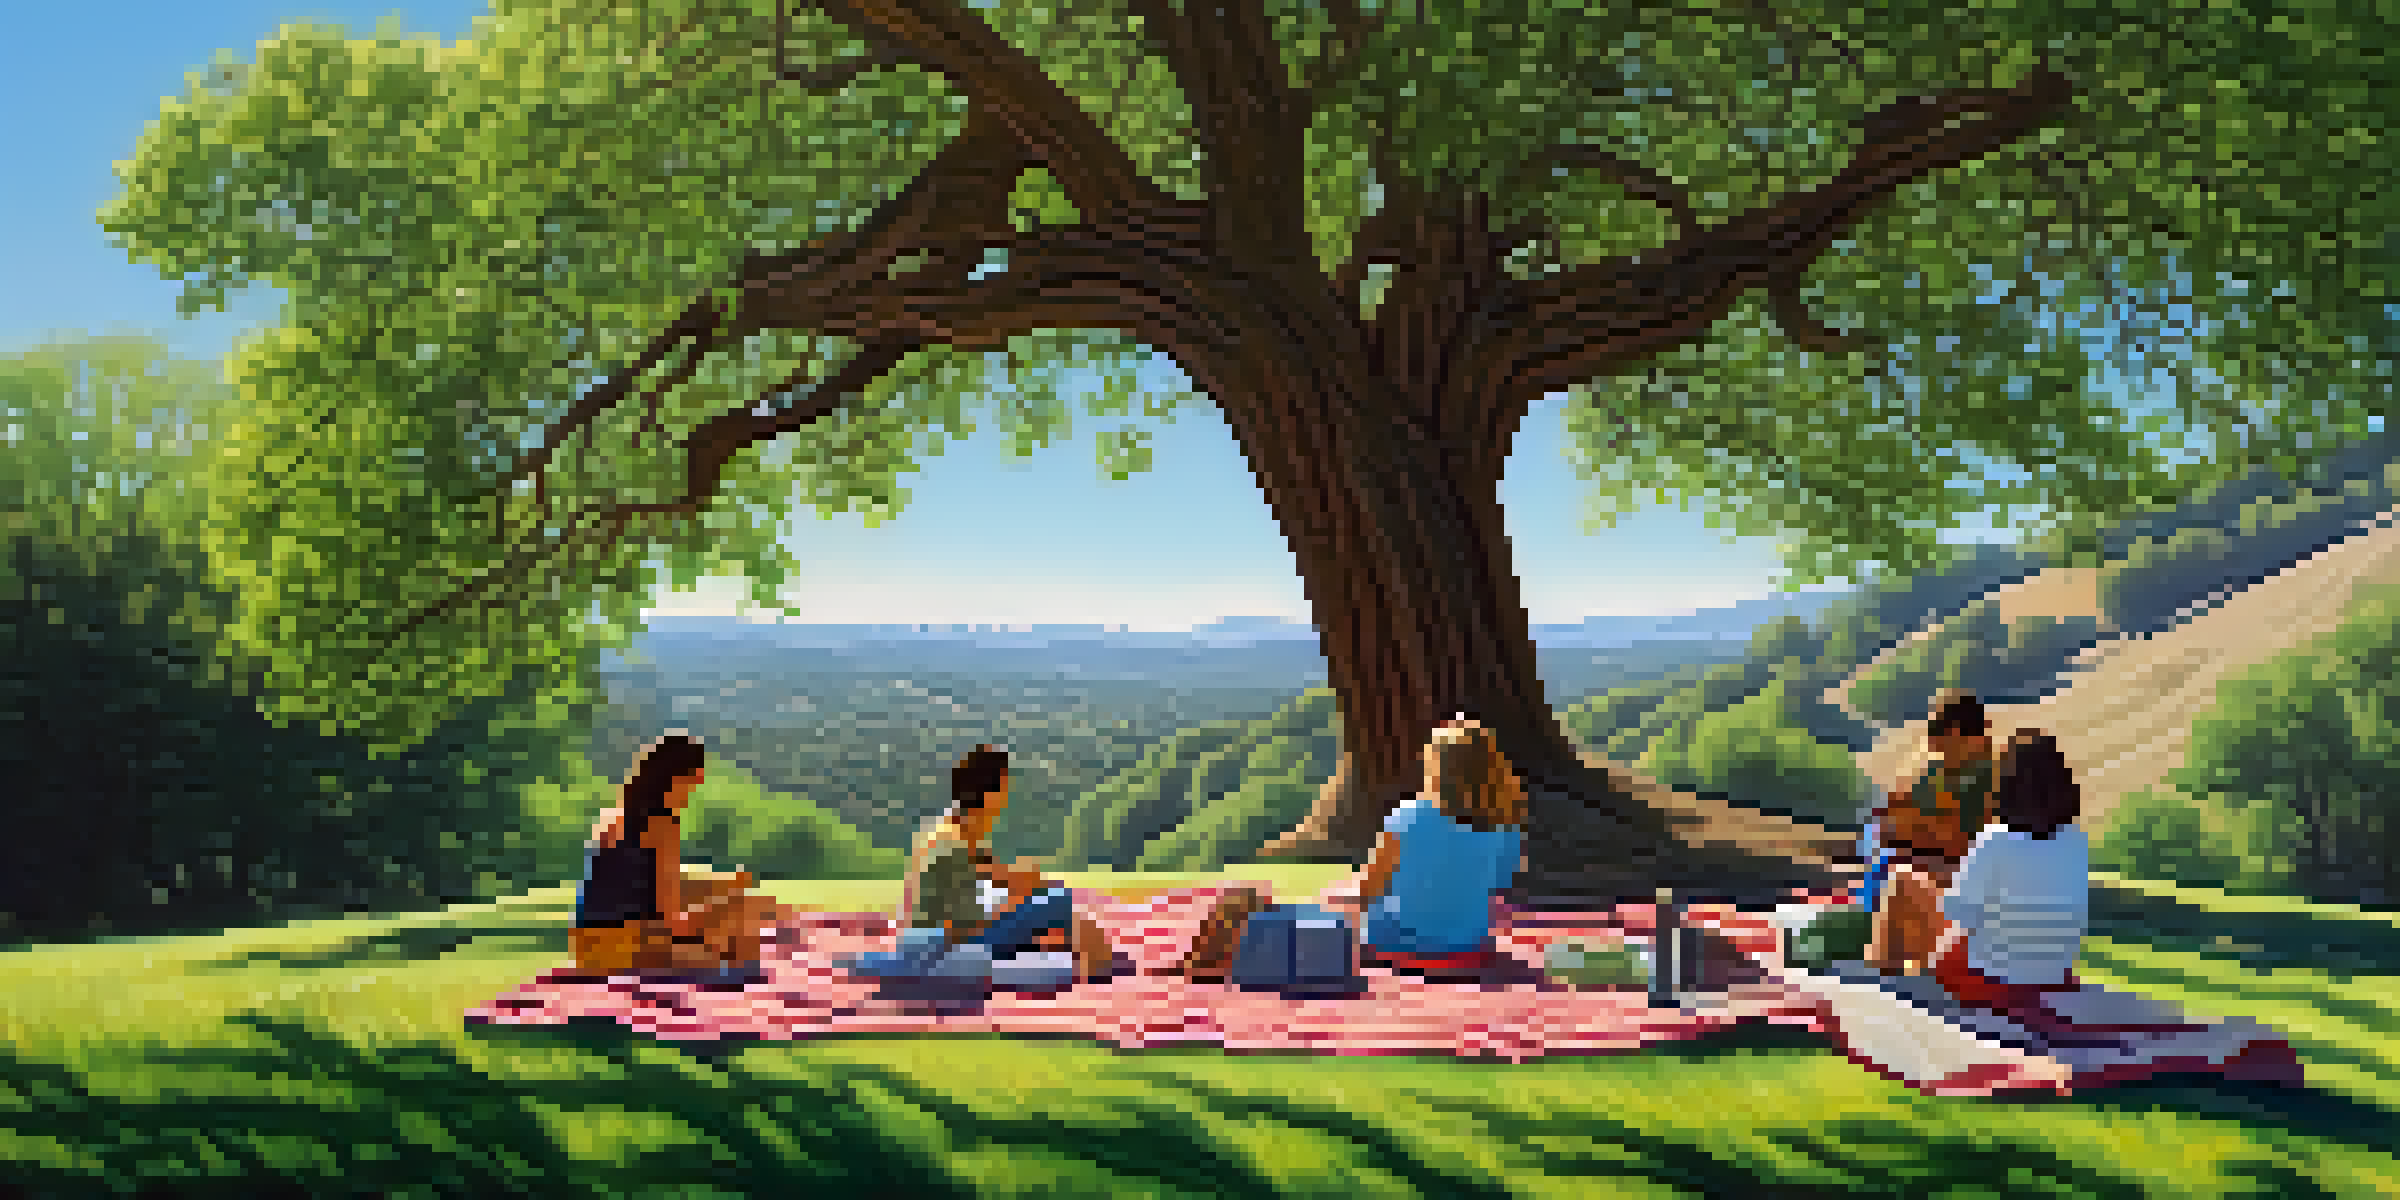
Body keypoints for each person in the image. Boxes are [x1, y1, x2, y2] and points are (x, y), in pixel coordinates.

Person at [1172, 716, 1526, 978]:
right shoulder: (1504, 824)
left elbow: (1369, 891)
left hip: (1395, 942)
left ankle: (1204, 965)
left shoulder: (1408, 816)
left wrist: (1343, 896)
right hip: (1468, 946)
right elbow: (1495, 883)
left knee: (1246, 900)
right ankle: (1207, 962)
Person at [846, 744, 1114, 982]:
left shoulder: (947, 831)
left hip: (930, 940)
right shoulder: (953, 843)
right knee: (1056, 901)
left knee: (1045, 897)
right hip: (943, 950)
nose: (1006, 798)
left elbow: (983, 877)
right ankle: (1093, 962)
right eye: (1004, 788)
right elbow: (964, 924)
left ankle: (1074, 948)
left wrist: (1020, 886)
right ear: (990, 794)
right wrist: (1017, 901)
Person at [570, 731, 794, 977]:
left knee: (724, 900)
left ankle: (728, 963)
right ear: (674, 780)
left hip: (585, 949)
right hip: (628, 951)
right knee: (745, 907)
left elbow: (647, 880)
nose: (688, 798)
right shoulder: (663, 824)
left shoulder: (613, 817)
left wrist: (722, 886)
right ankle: (741, 975)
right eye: (690, 787)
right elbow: (674, 923)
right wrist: (727, 908)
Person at [1930, 728, 2090, 1015]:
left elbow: (1957, 913)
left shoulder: (1995, 839)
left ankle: (1878, 988)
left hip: (1995, 980)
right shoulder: (2076, 840)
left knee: (1906, 891)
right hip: (2054, 975)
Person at [1864, 690, 1998, 975]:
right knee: (1891, 874)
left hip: (1978, 894)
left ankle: (1891, 974)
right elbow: (1890, 827)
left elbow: (1972, 850)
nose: (1931, 744)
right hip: (1937, 874)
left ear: (1959, 734)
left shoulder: (1995, 778)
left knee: (1901, 884)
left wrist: (1919, 836)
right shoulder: (1934, 773)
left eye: (1937, 734)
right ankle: (1894, 971)